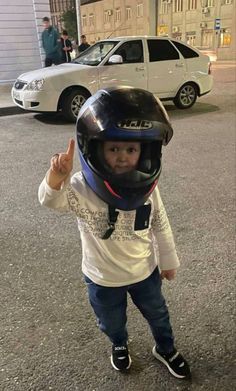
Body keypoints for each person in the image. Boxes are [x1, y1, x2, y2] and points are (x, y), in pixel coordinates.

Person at [38, 87, 191, 379]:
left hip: (144, 272)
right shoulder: (82, 189)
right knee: (111, 321)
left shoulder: (148, 190)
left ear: (145, 153)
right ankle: (119, 344)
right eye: (114, 149)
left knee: (158, 314)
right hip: (102, 278)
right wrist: (56, 178)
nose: (122, 157)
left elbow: (160, 221)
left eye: (131, 150)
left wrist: (169, 260)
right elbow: (50, 200)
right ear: (95, 148)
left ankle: (165, 347)